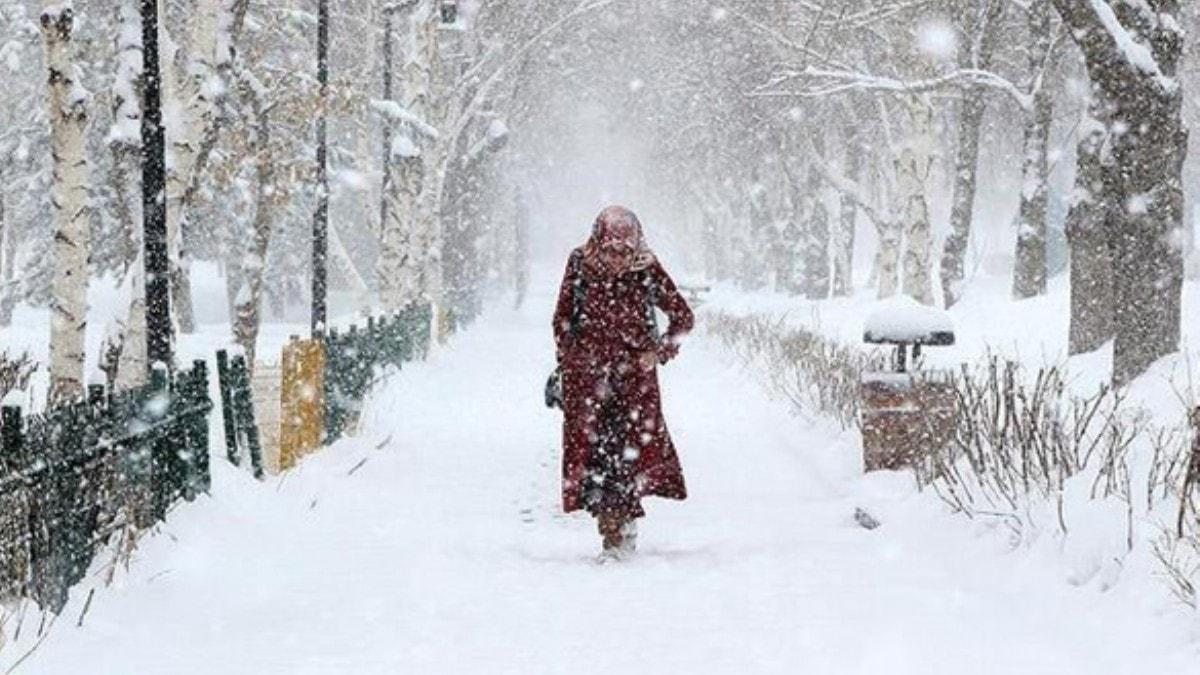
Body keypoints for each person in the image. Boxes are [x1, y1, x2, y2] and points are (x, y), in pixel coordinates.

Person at [552, 205, 694, 560]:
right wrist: (572, 359)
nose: (618, 259)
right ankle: (611, 528)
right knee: (595, 460)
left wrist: (659, 353)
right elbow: (562, 318)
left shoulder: (646, 268)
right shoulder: (579, 264)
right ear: (598, 241)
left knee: (625, 458)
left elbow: (682, 317)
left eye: (625, 251)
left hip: (634, 387)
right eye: (611, 250)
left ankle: (620, 532)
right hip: (588, 384)